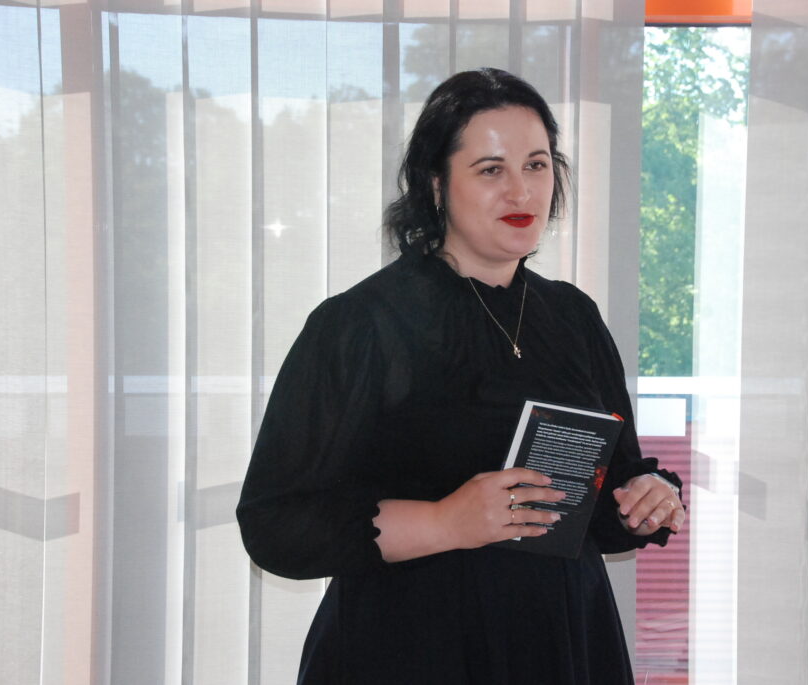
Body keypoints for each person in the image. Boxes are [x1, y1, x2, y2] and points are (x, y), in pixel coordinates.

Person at [236, 68, 685, 684]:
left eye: (536, 165)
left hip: (563, 643)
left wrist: (643, 498)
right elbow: (275, 524)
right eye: (491, 170)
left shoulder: (573, 316)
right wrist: (445, 521)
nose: (521, 191)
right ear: (436, 184)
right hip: (413, 648)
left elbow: (604, 500)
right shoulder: (361, 323)